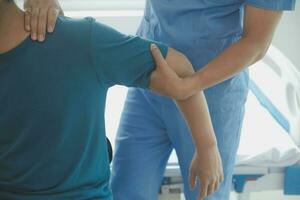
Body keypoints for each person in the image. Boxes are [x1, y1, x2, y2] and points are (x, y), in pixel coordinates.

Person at [23, 0, 296, 199]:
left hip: (211, 96)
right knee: (126, 190)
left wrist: (190, 88)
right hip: (150, 84)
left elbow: (257, 43)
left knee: (205, 193)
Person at [0, 0, 223, 199]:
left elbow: (180, 71)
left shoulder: (79, 43)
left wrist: (208, 147)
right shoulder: (81, 41)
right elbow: (180, 69)